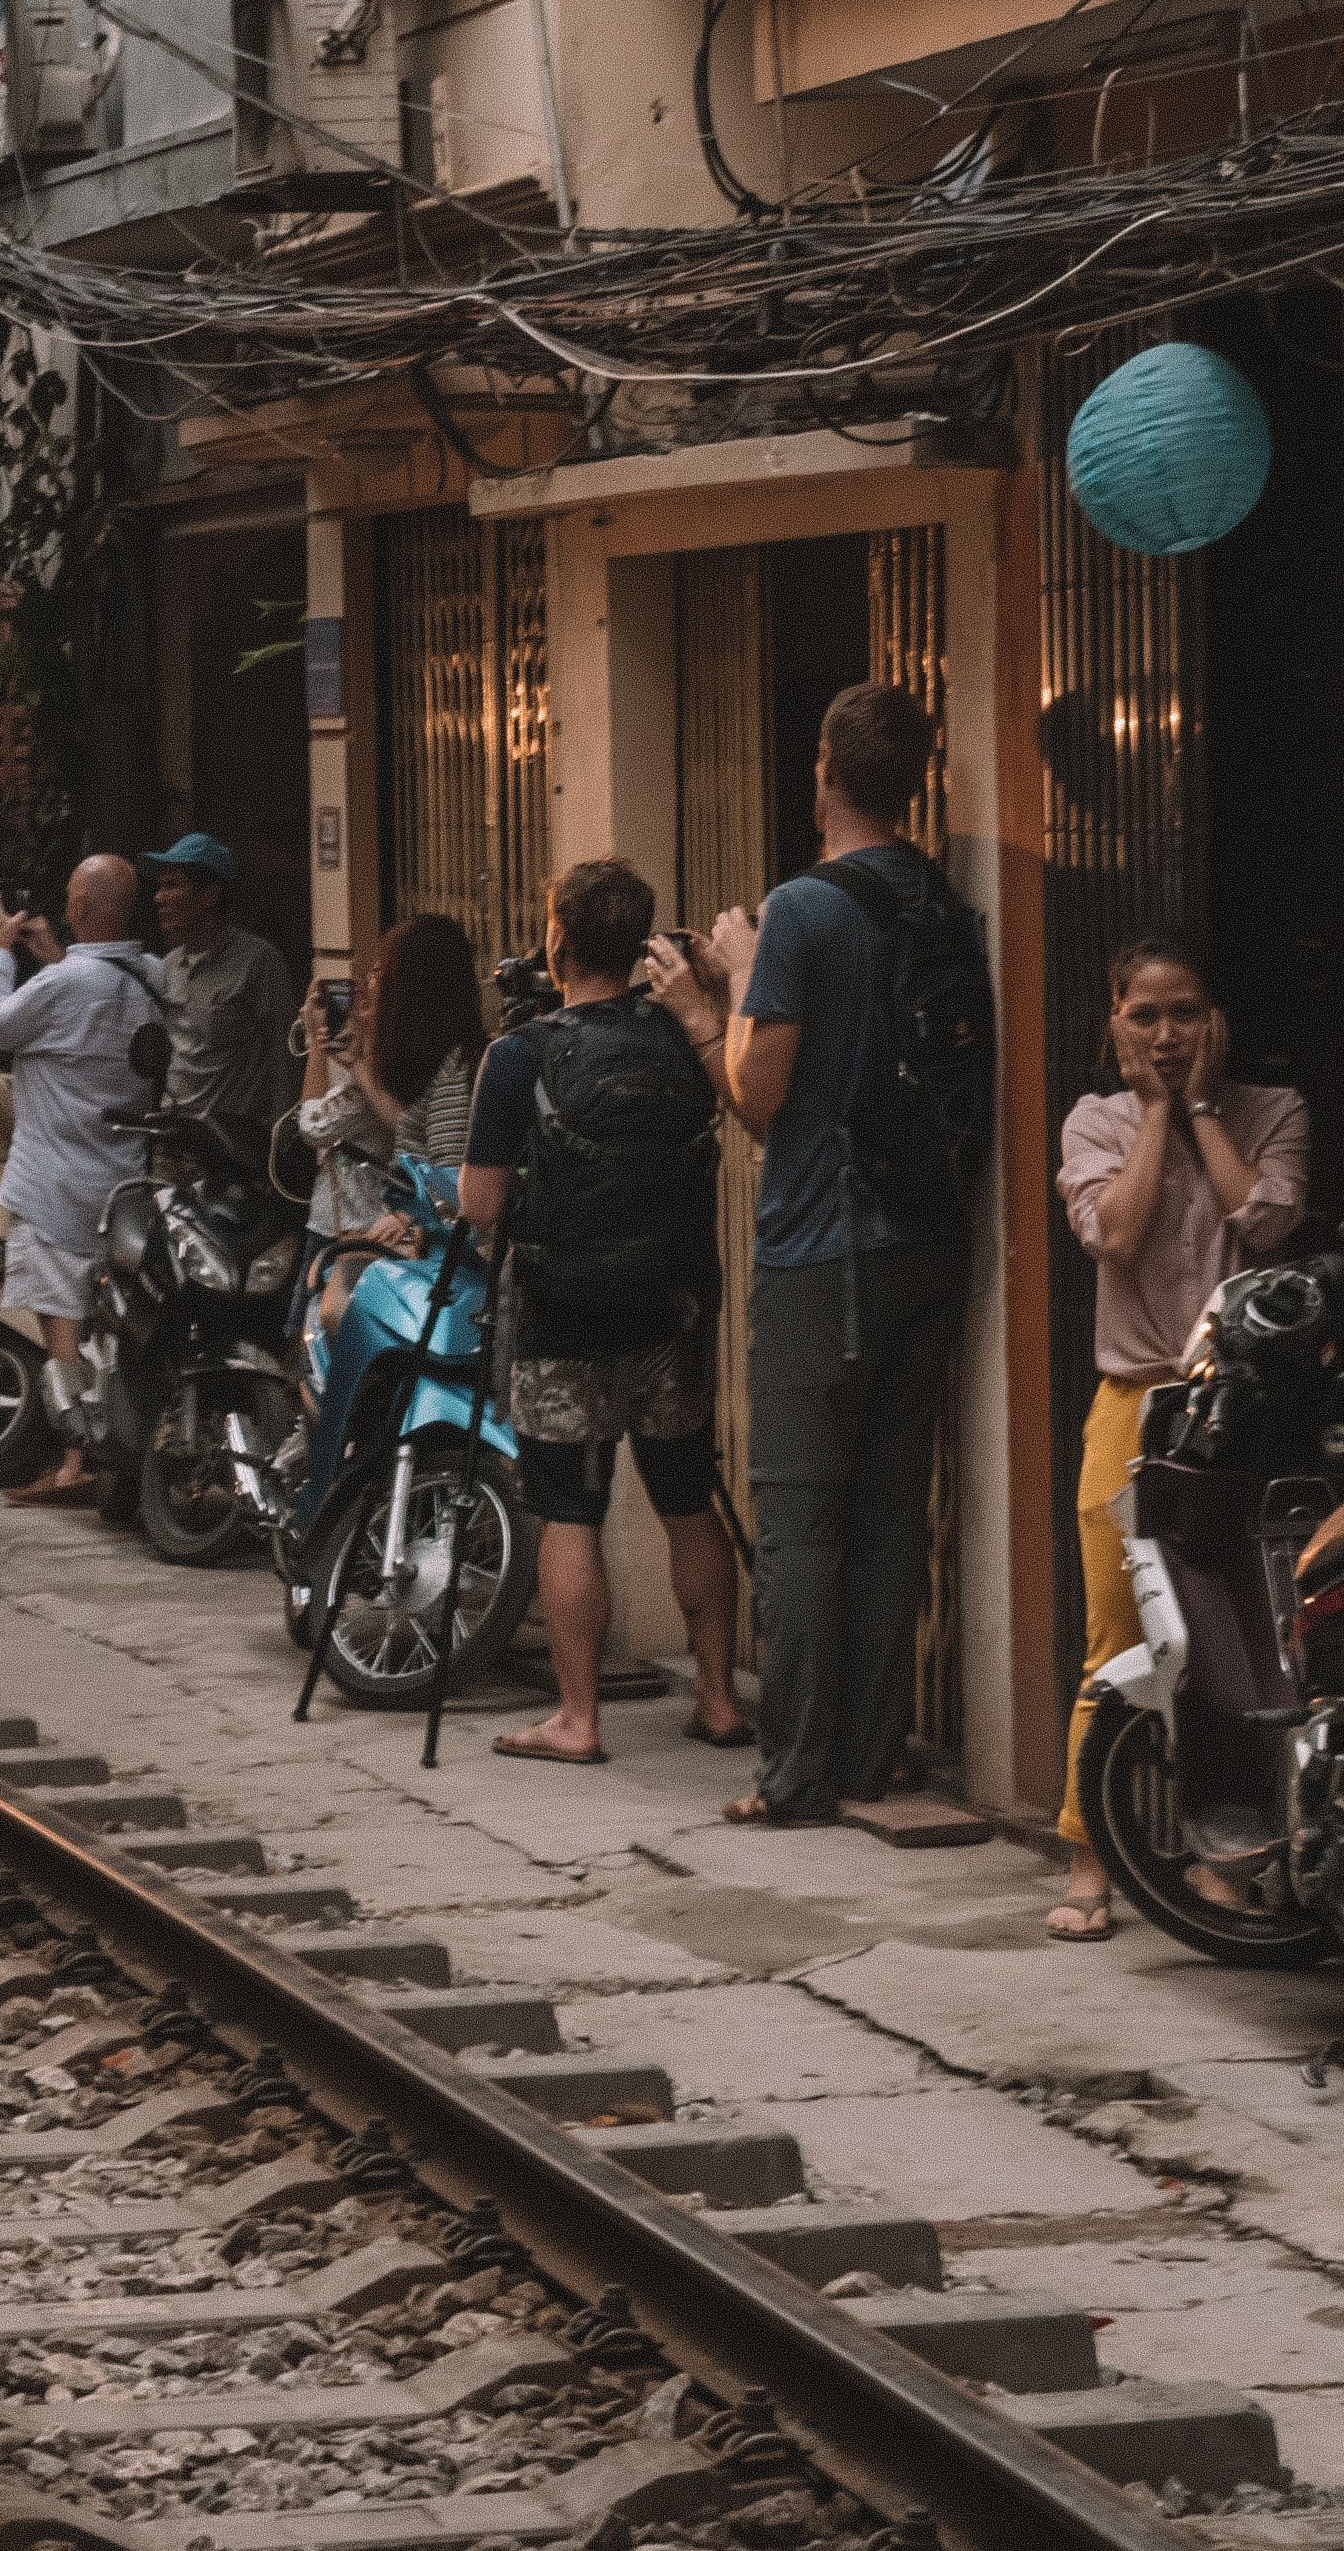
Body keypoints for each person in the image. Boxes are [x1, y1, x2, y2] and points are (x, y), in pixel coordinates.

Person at [648, 679, 986, 1831]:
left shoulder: (803, 907)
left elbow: (758, 1094)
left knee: (799, 1519)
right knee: (894, 1505)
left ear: (823, 771)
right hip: (931, 1241)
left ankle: (793, 1771)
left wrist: (720, 992)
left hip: (821, 1248)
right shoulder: (939, 898)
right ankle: (874, 1752)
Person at [1046, 936, 1308, 1940]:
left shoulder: (1270, 1111)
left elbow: (1264, 1214)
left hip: (1245, 1410)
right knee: (1116, 1632)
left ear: (1217, 1022)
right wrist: (1155, 1112)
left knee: (1243, 1639)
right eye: (1145, 1015)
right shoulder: (1095, 1121)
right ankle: (1089, 1858)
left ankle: (1225, 1861)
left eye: (1186, 1012)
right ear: (1113, 1022)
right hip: (1136, 1406)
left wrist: (1199, 1108)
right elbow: (1114, 1231)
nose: (1166, 1033)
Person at [463, 859, 744, 1767]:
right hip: (672, 1311)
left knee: (567, 1510)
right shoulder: (687, 1042)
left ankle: (577, 1719)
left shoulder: (519, 1056)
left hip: (563, 1314)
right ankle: (716, 1696)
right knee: (685, 1498)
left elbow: (481, 1206)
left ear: (556, 941)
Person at [0, 853, 169, 1505]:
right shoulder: (155, 976)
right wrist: (56, 955)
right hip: (124, 1185)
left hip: (53, 1185)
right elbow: (84, 1000)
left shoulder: (61, 985)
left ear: (79, 909)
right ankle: (95, 1451)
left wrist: (0, 950)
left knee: (64, 1332)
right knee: (109, 1327)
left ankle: (76, 1459)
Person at [292, 917, 484, 1343]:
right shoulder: (421, 1056)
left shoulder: (452, 1068)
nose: (369, 985)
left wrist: (401, 1218)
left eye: (381, 973)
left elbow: (448, 1180)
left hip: (437, 1259)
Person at [150, 836, 298, 1150]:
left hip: (231, 1148)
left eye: (172, 886)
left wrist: (280, 1146)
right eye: (160, 887)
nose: (159, 898)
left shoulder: (258, 962)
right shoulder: (169, 966)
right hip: (173, 1141)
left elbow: (283, 1056)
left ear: (209, 895)